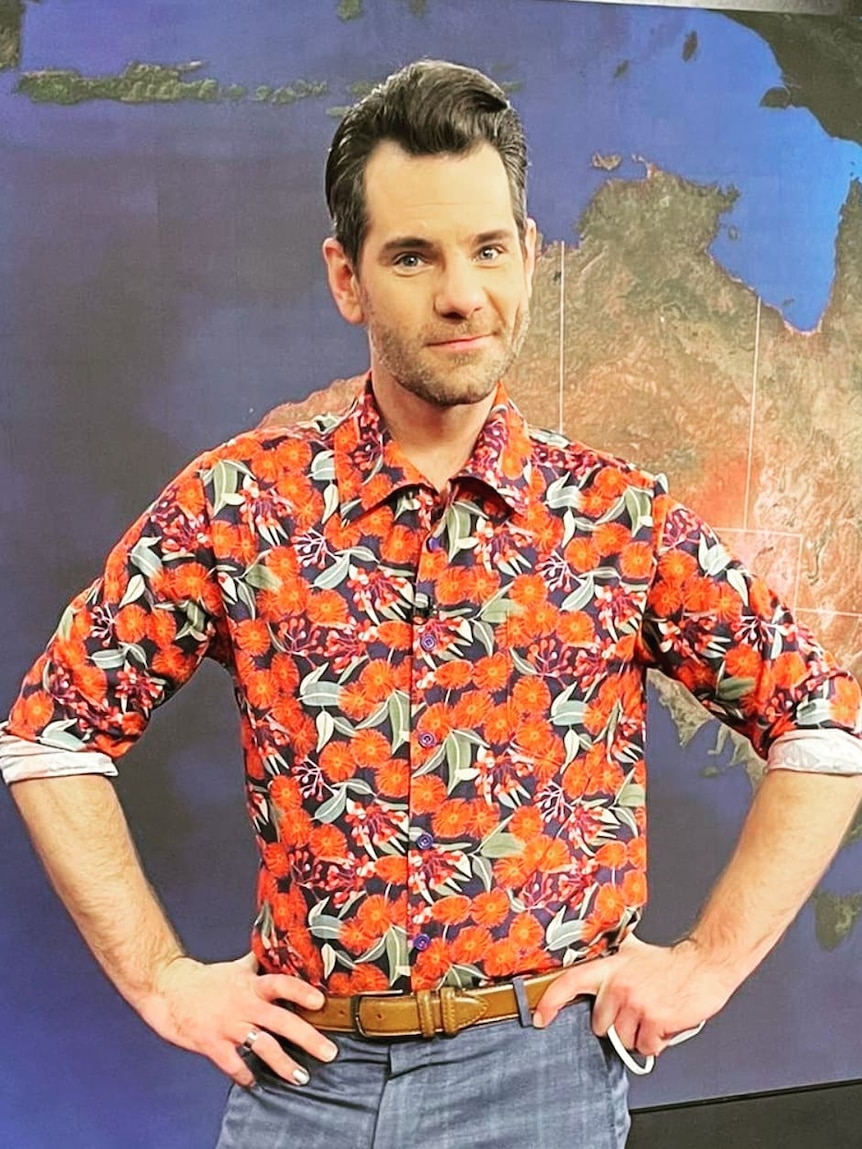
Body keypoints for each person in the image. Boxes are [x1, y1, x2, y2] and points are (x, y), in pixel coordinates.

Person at [2, 59, 861, 1149]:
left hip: (538, 1079)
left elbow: (822, 726)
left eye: (488, 249)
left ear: (530, 257)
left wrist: (708, 964)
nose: (461, 293)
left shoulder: (614, 517)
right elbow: (52, 736)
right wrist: (163, 980)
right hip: (301, 1076)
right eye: (413, 255)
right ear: (346, 277)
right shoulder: (239, 504)